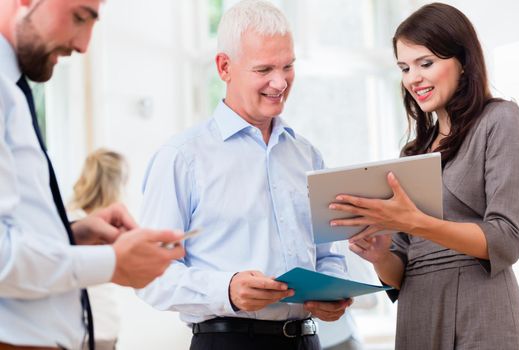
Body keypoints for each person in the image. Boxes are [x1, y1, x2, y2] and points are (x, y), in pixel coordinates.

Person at [138, 1, 351, 349]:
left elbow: (329, 256)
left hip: (307, 340)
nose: (280, 82)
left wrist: (333, 289)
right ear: (224, 67)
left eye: (288, 66)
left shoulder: (308, 156)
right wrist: (227, 289)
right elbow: (149, 275)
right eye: (264, 68)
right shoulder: (182, 158)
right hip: (228, 341)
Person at [329, 3, 519, 349]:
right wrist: (379, 255)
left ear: (463, 62)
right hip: (418, 310)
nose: (413, 78)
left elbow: (507, 240)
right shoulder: (412, 154)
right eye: (404, 67)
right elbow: (400, 271)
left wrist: (416, 222)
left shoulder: (500, 120)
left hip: (480, 307)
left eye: (426, 63)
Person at [0, 1, 185, 349]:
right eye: (79, 17)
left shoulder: (13, 89)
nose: (84, 45)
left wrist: (70, 235)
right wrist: (112, 263)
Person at [68, 149, 129, 350]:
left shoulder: (70, 219)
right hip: (89, 332)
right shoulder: (76, 226)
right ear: (116, 185)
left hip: (98, 330)